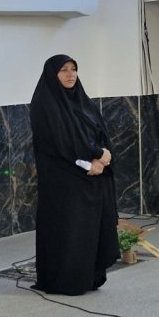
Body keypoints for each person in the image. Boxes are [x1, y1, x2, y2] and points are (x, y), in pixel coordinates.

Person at [29, 54, 118, 295]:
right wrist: (94, 157)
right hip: (64, 180)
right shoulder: (45, 104)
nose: (70, 74)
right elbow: (62, 142)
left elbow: (99, 131)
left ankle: (91, 276)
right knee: (72, 230)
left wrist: (101, 158)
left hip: (92, 175)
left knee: (91, 229)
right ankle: (67, 281)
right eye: (64, 70)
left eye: (73, 69)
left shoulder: (82, 101)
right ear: (52, 74)